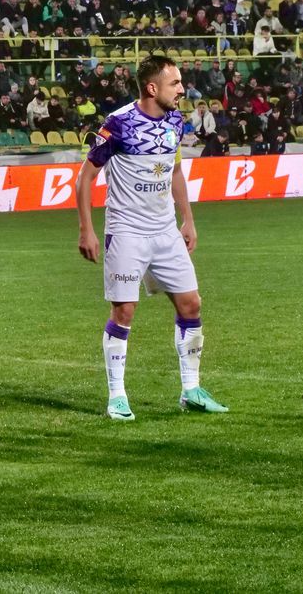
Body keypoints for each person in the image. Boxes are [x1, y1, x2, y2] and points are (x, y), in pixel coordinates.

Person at [75, 55, 228, 422]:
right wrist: (86, 228)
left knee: (191, 304)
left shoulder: (175, 120)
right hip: (126, 230)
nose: (182, 89)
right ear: (151, 88)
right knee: (124, 311)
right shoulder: (119, 123)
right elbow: (85, 178)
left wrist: (187, 219)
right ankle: (117, 396)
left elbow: (175, 170)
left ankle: (191, 390)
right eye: (175, 83)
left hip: (164, 231)